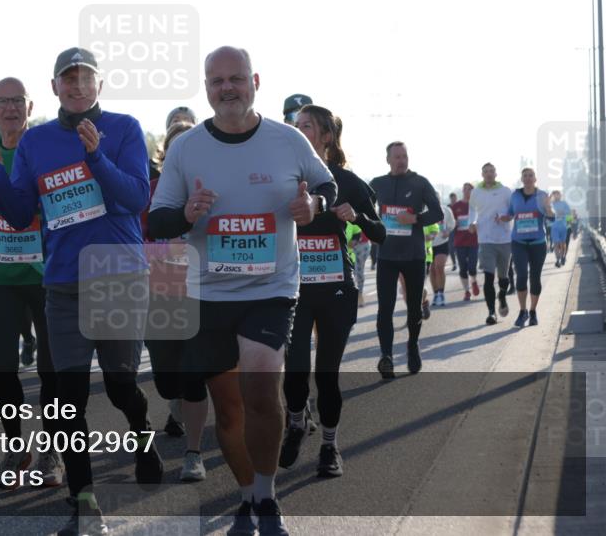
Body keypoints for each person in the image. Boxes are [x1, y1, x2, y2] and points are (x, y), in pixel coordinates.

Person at [0, 47, 163, 536]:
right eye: (67, 80)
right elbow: (17, 214)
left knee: (120, 386)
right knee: (66, 400)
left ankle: (142, 431)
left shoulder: (124, 128)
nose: (76, 88)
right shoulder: (37, 144)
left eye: (85, 79)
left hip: (118, 274)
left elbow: (135, 197)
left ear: (99, 85)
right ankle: (85, 504)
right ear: (54, 88)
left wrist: (96, 156)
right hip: (63, 282)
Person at [150, 47, 337, 536]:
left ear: (254, 81)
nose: (227, 88)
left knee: (260, 384)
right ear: (207, 87)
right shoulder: (187, 148)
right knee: (228, 409)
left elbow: (329, 184)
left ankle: (268, 499)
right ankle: (247, 496)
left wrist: (314, 203)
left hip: (270, 288)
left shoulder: (288, 139)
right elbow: (157, 219)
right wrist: (187, 214)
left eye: (236, 78)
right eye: (217, 81)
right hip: (207, 293)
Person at [0, 77, 63, 485]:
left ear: (30, 106)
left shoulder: (42, 145)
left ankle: (52, 452)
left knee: (50, 369)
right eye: (2, 102)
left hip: (45, 276)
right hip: (1, 275)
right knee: (4, 370)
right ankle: (14, 445)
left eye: (17, 101)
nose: (10, 109)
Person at [281, 105, 384, 479]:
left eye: (306, 126)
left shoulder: (348, 181)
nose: (297, 130)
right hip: (294, 289)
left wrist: (356, 217)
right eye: (295, 126)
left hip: (336, 288)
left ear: (325, 136)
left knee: (326, 373)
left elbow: (380, 233)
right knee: (293, 372)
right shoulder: (284, 176)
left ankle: (329, 445)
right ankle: (295, 421)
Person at [143, 119, 210, 482]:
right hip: (160, 291)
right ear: (166, 155)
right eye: (177, 148)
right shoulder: (152, 190)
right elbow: (134, 235)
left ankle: (193, 454)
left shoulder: (216, 189)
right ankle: (176, 401)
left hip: (201, 292)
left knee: (194, 376)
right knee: (168, 382)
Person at [369, 142, 443, 378]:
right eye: (397, 156)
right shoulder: (377, 184)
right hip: (387, 255)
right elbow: (365, 210)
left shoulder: (420, 183)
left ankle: (412, 346)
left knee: (413, 308)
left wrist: (415, 219)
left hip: (413, 256)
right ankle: (386, 356)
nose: (402, 160)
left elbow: (438, 213)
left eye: (405, 156)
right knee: (385, 308)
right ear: (388, 160)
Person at [503, 169, 554, 327]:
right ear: (522, 179)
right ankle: (522, 310)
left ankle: (532, 311)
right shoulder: (515, 195)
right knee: (522, 275)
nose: (528, 178)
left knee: (535, 277)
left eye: (530, 175)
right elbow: (511, 213)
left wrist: (548, 208)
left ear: (535, 178)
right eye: (525, 176)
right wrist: (501, 218)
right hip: (518, 242)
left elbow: (551, 216)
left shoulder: (542, 195)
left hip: (538, 243)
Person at [468, 163, 513, 326]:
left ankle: (502, 295)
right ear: (482, 174)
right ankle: (491, 312)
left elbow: (512, 211)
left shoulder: (505, 191)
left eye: (491, 171)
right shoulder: (476, 192)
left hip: (503, 238)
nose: (488, 174)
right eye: (485, 171)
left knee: (503, 277)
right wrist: (472, 223)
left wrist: (506, 217)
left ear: (496, 173)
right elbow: (472, 209)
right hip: (485, 238)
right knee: (488, 276)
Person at [450, 183, 480, 301]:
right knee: (463, 268)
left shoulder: (476, 206)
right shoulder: (456, 206)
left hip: (474, 241)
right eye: (466, 189)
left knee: (472, 268)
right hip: (460, 242)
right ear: (462, 191)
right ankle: (467, 291)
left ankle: (473, 281)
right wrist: (454, 224)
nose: (468, 192)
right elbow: (450, 222)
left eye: (470, 190)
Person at [429, 199, 456, 307]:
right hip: (429, 244)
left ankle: (441, 293)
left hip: (442, 242)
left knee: (439, 267)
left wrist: (448, 231)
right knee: (432, 269)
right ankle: (436, 294)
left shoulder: (446, 210)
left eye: (436, 197)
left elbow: (452, 224)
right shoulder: (424, 210)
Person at [550, 191, 572, 267]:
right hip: (554, 227)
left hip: (563, 226)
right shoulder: (551, 204)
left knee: (563, 244)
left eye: (558, 195)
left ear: (560, 196)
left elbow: (569, 213)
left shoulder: (564, 204)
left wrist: (569, 223)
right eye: (555, 195)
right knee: (556, 243)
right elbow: (547, 214)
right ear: (553, 196)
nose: (556, 196)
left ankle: (563, 256)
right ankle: (557, 259)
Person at [447, 192, 459, 272]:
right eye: (452, 198)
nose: (453, 200)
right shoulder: (448, 207)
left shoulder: (459, 205)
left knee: (458, 247)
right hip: (451, 229)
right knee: (451, 247)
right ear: (450, 199)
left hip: (459, 229)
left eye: (454, 198)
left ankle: (461, 262)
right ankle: (454, 264)